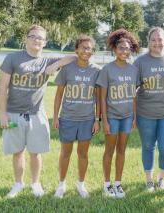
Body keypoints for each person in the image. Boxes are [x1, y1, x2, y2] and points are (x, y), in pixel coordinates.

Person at [0, 25, 72, 198]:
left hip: (37, 113)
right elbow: (2, 87)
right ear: (26, 38)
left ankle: (35, 183)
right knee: (17, 152)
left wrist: (56, 65)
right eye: (33, 36)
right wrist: (2, 113)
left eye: (41, 38)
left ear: (45, 42)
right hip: (14, 112)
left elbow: (74, 56)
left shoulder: (47, 60)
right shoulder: (13, 58)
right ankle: (18, 183)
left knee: (35, 152)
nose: (37, 40)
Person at [134, 27, 164, 192]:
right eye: (153, 39)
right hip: (145, 113)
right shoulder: (140, 62)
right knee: (148, 146)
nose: (157, 43)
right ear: (148, 41)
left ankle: (161, 178)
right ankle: (149, 180)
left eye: (160, 39)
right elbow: (131, 88)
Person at [52, 35, 101, 199]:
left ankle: (81, 184)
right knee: (65, 153)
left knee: (83, 153)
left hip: (87, 119)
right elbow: (59, 94)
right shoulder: (67, 68)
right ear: (76, 50)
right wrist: (56, 117)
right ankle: (61, 184)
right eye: (84, 47)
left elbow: (99, 98)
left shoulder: (96, 70)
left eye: (90, 48)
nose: (87, 51)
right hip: (67, 118)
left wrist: (97, 119)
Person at [96, 28, 139, 198]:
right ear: (114, 49)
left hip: (127, 117)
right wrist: (104, 120)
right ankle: (107, 184)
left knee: (122, 150)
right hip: (112, 117)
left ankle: (118, 183)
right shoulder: (107, 69)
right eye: (121, 48)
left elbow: (133, 96)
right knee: (109, 150)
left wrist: (134, 117)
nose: (125, 51)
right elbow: (102, 98)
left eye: (128, 48)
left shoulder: (133, 70)